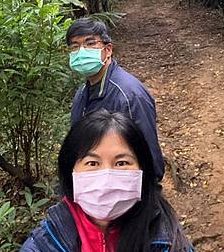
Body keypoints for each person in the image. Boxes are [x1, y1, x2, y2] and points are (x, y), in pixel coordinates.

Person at [7, 110, 199, 252]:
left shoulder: (167, 244)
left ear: (143, 171)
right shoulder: (43, 246)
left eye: (122, 163)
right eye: (92, 163)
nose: (106, 175)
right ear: (70, 172)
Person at [66, 17, 165, 180]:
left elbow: (148, 156)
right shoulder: (82, 94)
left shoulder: (129, 95)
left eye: (90, 43)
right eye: (75, 46)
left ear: (108, 49)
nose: (81, 51)